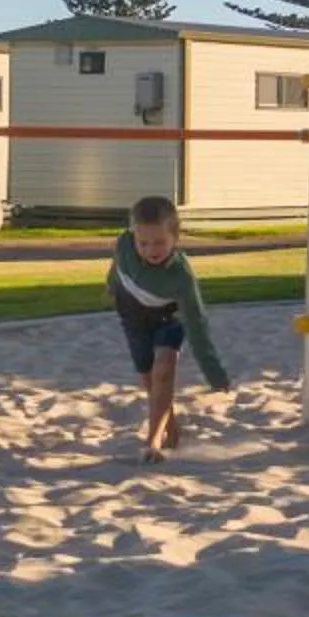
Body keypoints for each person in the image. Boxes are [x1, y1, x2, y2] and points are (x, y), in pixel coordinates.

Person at [108, 195, 232, 463]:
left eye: (160, 242)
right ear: (133, 236)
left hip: (169, 320)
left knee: (163, 370)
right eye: (144, 243)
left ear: (175, 238)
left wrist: (215, 376)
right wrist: (111, 290)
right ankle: (170, 426)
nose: (152, 249)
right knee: (150, 379)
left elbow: (197, 326)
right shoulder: (125, 245)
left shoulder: (181, 278)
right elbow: (116, 271)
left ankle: (152, 443)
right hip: (134, 320)